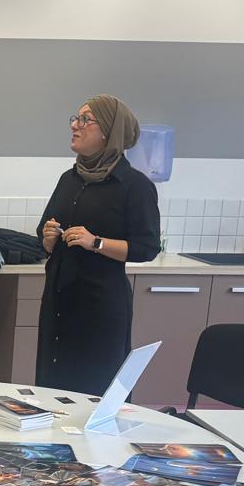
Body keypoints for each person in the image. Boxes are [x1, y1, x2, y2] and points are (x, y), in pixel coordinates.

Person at [35, 95, 161, 394]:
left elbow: (147, 247)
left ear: (108, 131)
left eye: (85, 120)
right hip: (58, 301)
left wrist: (97, 243)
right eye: (75, 119)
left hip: (99, 306)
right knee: (52, 388)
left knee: (94, 388)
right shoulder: (69, 179)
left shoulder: (135, 185)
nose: (75, 126)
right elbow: (44, 231)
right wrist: (48, 238)